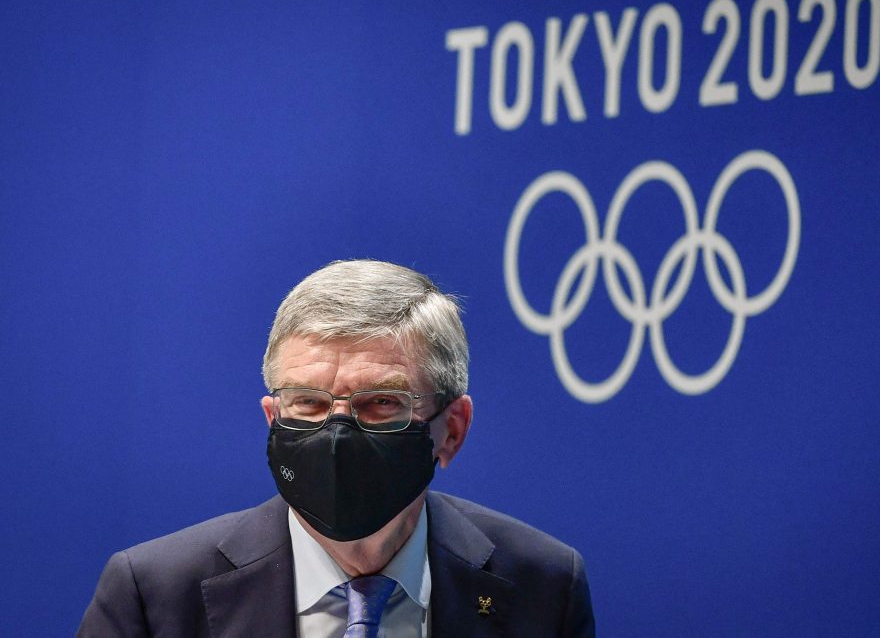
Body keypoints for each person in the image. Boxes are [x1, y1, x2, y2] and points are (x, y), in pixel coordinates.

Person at [78, 259, 595, 637]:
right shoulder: (155, 595)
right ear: (272, 418)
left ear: (452, 430)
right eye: (307, 402)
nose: (337, 434)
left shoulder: (543, 587)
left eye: (380, 402)